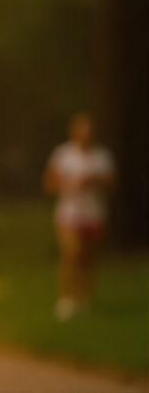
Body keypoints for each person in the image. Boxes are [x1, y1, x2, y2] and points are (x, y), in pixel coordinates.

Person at [42, 112, 116, 321]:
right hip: (69, 214)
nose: (86, 135)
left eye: (89, 131)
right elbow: (49, 183)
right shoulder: (63, 154)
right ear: (74, 132)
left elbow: (112, 184)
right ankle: (67, 299)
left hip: (94, 214)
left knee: (88, 259)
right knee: (71, 254)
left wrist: (94, 179)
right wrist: (68, 185)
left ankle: (85, 299)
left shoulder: (102, 156)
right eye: (82, 130)